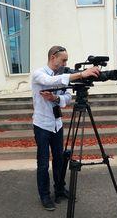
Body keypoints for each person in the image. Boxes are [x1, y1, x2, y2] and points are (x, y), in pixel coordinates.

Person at [31, 45, 100, 211]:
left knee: (59, 159)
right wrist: (81, 74)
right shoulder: (38, 74)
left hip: (57, 124)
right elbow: (49, 82)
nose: (65, 63)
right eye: (63, 60)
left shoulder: (62, 75)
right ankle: (45, 196)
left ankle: (60, 190)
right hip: (42, 125)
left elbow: (68, 97)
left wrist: (55, 98)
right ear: (53, 57)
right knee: (42, 164)